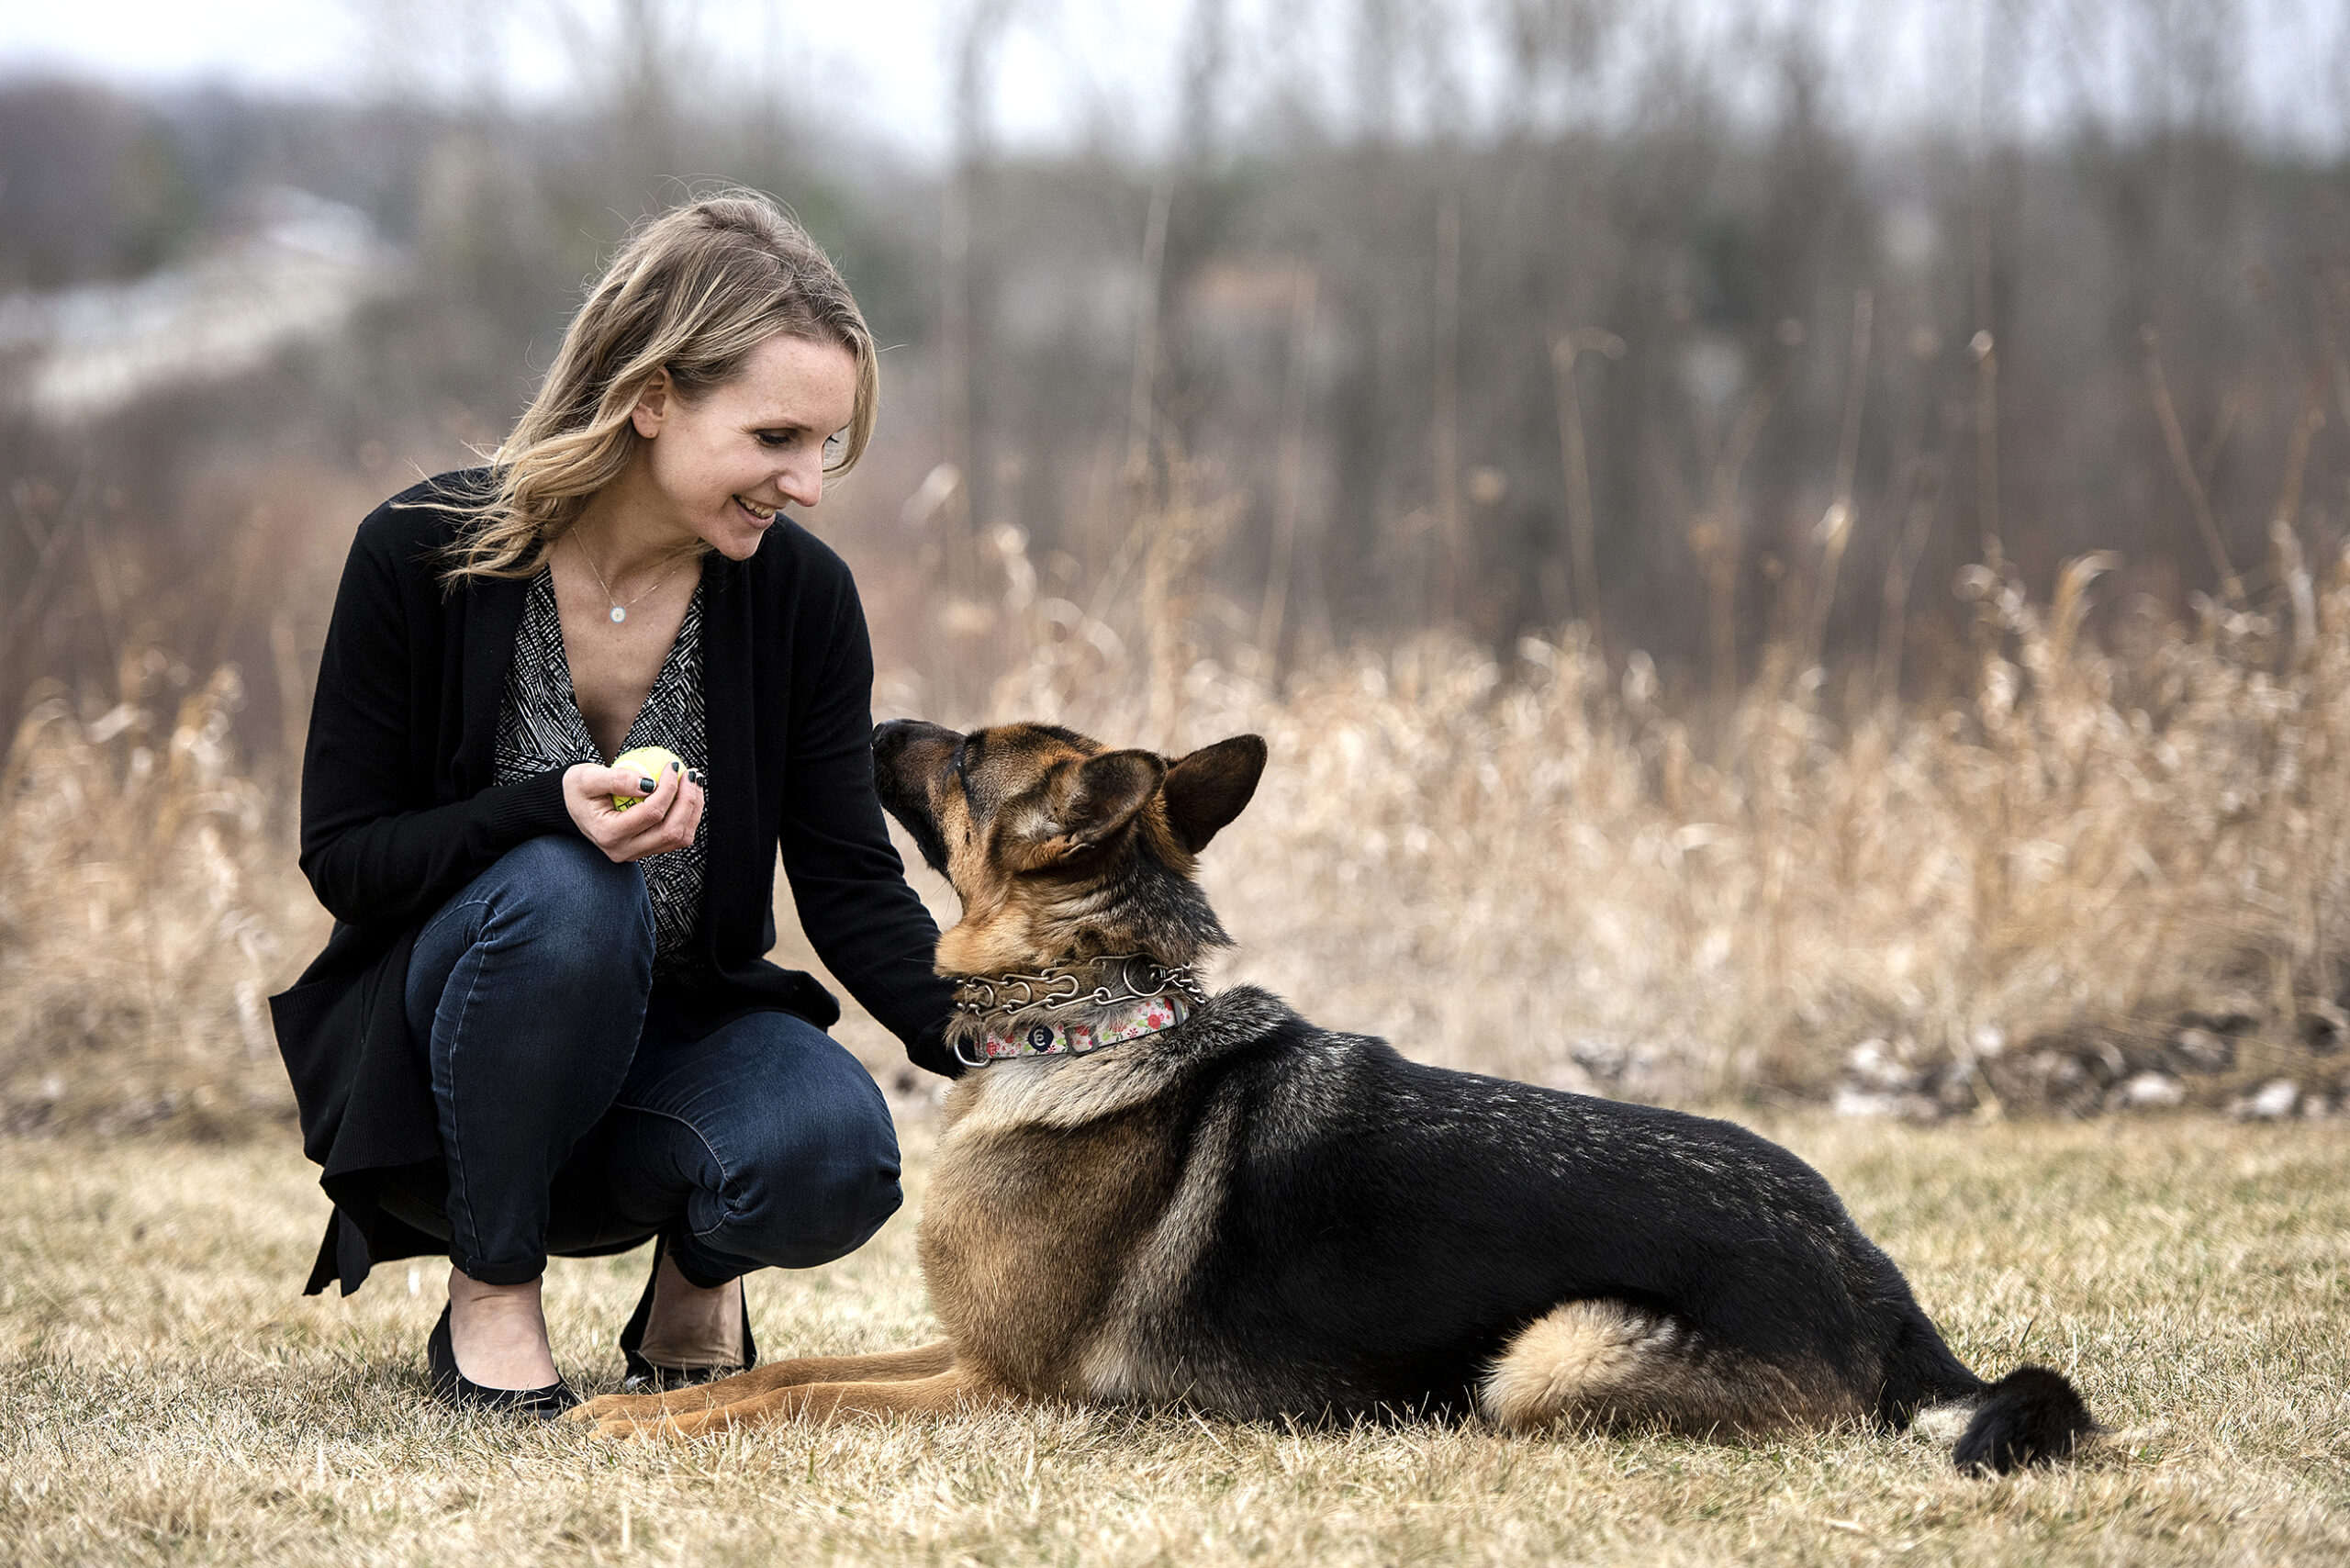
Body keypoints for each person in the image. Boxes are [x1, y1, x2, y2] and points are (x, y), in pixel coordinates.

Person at [269, 192, 960, 1417]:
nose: (806, 482)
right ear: (653, 398)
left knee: (835, 1147)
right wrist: (542, 809)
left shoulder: (799, 600)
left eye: (827, 448)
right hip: (448, 1091)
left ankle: (698, 1281)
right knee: (568, 883)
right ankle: (493, 1287)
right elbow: (347, 858)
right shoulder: (421, 553)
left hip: (668, 1082)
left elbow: (851, 884)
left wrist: (994, 1035)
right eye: (775, 439)